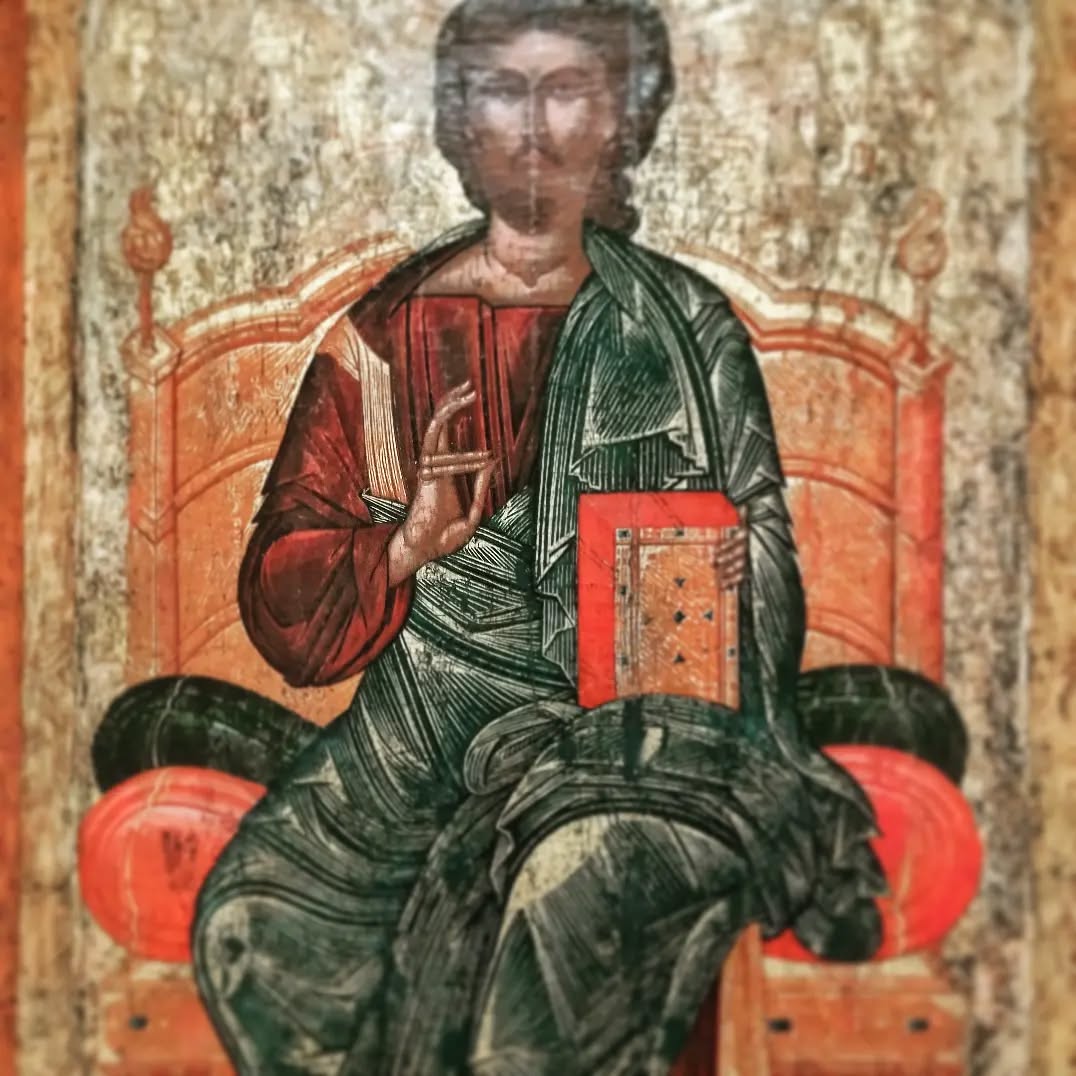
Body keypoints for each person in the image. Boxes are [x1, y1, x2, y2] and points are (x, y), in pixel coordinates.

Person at [114, 2, 908, 1072]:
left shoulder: (683, 329)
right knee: (255, 924)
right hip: (420, 724)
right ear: (458, 121)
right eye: (501, 91)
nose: (532, 125)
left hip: (628, 724)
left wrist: (734, 569)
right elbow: (283, 593)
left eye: (567, 90)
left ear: (621, 119)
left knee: (567, 899)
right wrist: (406, 546)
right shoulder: (385, 336)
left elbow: (761, 530)